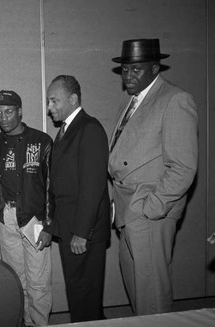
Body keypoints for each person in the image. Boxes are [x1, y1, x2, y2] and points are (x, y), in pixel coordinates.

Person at [109, 39, 198, 315]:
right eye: (125, 69)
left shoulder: (175, 99)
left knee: (152, 297)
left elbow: (183, 167)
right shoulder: (132, 100)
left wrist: (152, 208)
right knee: (139, 294)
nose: (129, 76)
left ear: (155, 68)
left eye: (137, 70)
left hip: (148, 213)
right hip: (128, 211)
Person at [0, 90, 52, 327]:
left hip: (34, 219)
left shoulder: (42, 141)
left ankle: (40, 323)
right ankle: (24, 322)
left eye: (9, 112)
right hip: (6, 218)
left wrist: (49, 225)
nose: (3, 117)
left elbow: (50, 187)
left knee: (38, 280)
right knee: (16, 278)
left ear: (20, 111)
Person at [46, 75, 110, 322]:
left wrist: (82, 232)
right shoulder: (66, 131)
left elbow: (92, 187)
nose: (50, 107)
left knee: (86, 295)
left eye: (54, 100)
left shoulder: (89, 128)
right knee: (78, 293)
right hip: (70, 228)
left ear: (73, 99)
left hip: (84, 232)